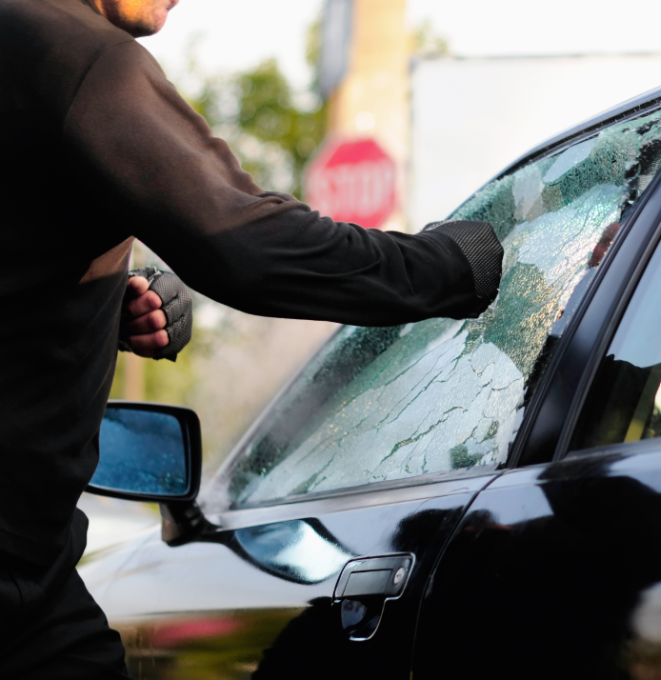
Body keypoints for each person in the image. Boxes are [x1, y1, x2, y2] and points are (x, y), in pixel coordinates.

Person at [0, 0, 503, 677]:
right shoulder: (84, 60)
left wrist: (97, 297)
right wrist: (456, 264)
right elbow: (249, 248)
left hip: (34, 581)